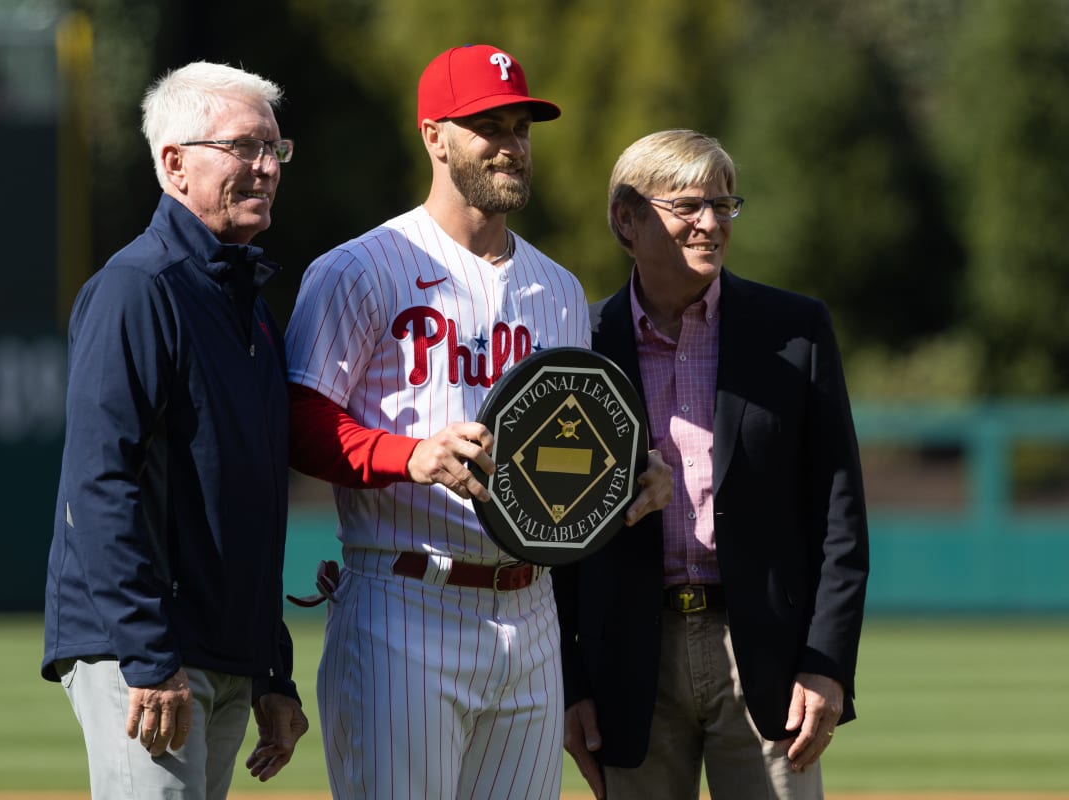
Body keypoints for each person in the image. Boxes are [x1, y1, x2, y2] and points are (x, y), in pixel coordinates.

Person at [284, 44, 670, 799]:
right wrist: (406, 455)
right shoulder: (360, 267)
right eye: (486, 126)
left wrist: (630, 478)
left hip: (531, 615)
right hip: (405, 596)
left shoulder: (557, 289)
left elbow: (575, 448)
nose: (510, 145)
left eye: (520, 127)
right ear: (435, 136)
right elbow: (297, 419)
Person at [552, 129, 870, 800]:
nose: (711, 223)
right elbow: (555, 531)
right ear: (626, 219)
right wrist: (570, 684)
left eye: (725, 206)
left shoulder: (797, 329)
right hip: (627, 667)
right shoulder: (577, 342)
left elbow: (839, 516)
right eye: (690, 205)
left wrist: (826, 666)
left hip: (770, 663)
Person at [41, 61, 308, 799]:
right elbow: (100, 483)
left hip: (220, 645)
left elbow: (250, 498)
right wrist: (148, 654)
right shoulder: (138, 287)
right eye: (244, 148)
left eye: (274, 150)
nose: (265, 167)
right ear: (174, 162)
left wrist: (272, 668)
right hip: (147, 646)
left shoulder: (246, 300)